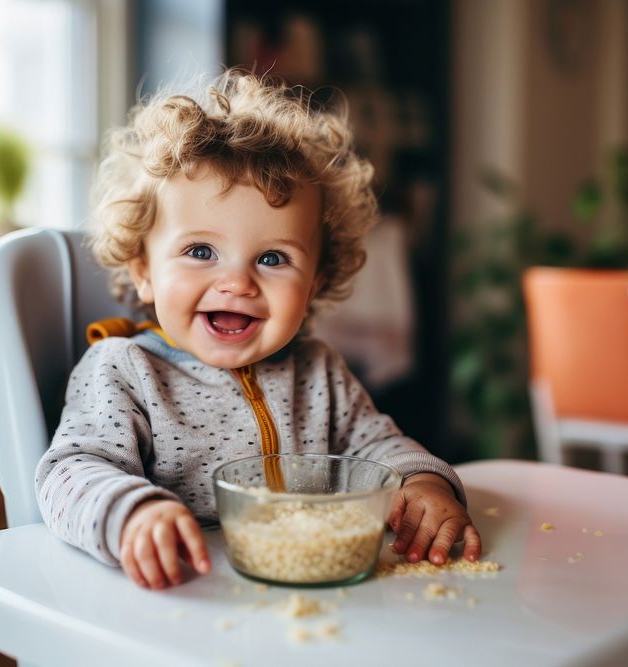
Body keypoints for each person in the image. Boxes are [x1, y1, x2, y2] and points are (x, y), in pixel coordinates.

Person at [35, 69, 481, 590]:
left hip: (311, 591)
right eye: (201, 251)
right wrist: (131, 515)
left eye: (272, 258)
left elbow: (378, 447)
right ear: (143, 270)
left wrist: (423, 483)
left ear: (315, 282)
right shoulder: (124, 370)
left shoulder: (317, 370)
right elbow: (69, 472)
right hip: (184, 594)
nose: (237, 282)